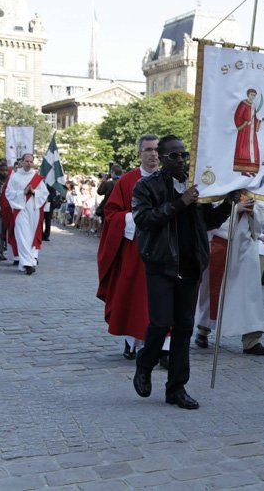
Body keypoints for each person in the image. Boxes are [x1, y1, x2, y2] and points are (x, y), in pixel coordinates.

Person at [131, 135, 239, 410]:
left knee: (184, 328)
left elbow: (209, 221)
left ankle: (176, 388)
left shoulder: (197, 186)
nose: (181, 161)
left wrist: (227, 203)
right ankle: (145, 362)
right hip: (161, 264)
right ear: (162, 158)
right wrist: (181, 202)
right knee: (160, 322)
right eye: (174, 156)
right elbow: (144, 220)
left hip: (190, 265)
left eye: (183, 155)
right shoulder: (147, 186)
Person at [97, 135, 160, 359]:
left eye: (156, 150)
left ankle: (162, 347)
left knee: (160, 299)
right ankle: (132, 341)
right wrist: (138, 218)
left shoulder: (169, 179)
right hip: (136, 249)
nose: (153, 154)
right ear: (139, 153)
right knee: (136, 297)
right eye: (148, 150)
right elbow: (111, 213)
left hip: (164, 249)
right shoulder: (127, 181)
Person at [194, 197, 264, 355]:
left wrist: (252, 212)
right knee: (213, 290)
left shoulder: (254, 190)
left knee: (248, 293)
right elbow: (209, 218)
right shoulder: (220, 184)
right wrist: (234, 209)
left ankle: (251, 338)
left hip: (245, 247)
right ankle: (204, 328)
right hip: (220, 242)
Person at [4, 154, 48, 275]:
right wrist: (22, 192)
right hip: (20, 209)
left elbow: (44, 193)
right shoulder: (15, 177)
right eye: (27, 161)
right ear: (22, 162)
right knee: (22, 235)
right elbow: (8, 193)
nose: (29, 163)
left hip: (33, 209)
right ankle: (27, 263)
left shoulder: (37, 177)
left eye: (31, 161)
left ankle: (29, 260)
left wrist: (33, 192)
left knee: (31, 236)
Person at [233, 88, 264, 174]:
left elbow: (254, 118)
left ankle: (250, 169)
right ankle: (242, 170)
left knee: (252, 149)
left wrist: (260, 121)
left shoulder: (253, 106)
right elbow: (237, 116)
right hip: (244, 130)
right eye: (251, 95)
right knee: (243, 149)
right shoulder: (243, 104)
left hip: (252, 131)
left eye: (254, 95)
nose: (252, 97)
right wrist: (245, 123)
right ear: (248, 94)